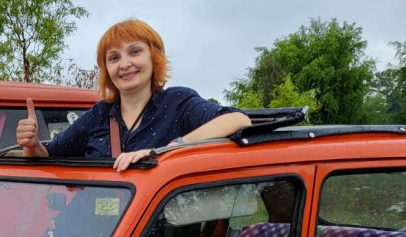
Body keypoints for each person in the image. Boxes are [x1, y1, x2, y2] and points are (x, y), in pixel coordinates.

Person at [18, 19, 251, 170]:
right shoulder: (99, 115)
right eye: (114, 58)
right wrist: (32, 143)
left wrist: (169, 149)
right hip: (99, 234)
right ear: (106, 70)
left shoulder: (177, 103)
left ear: (154, 57)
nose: (125, 64)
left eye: (135, 52)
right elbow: (48, 154)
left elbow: (238, 119)